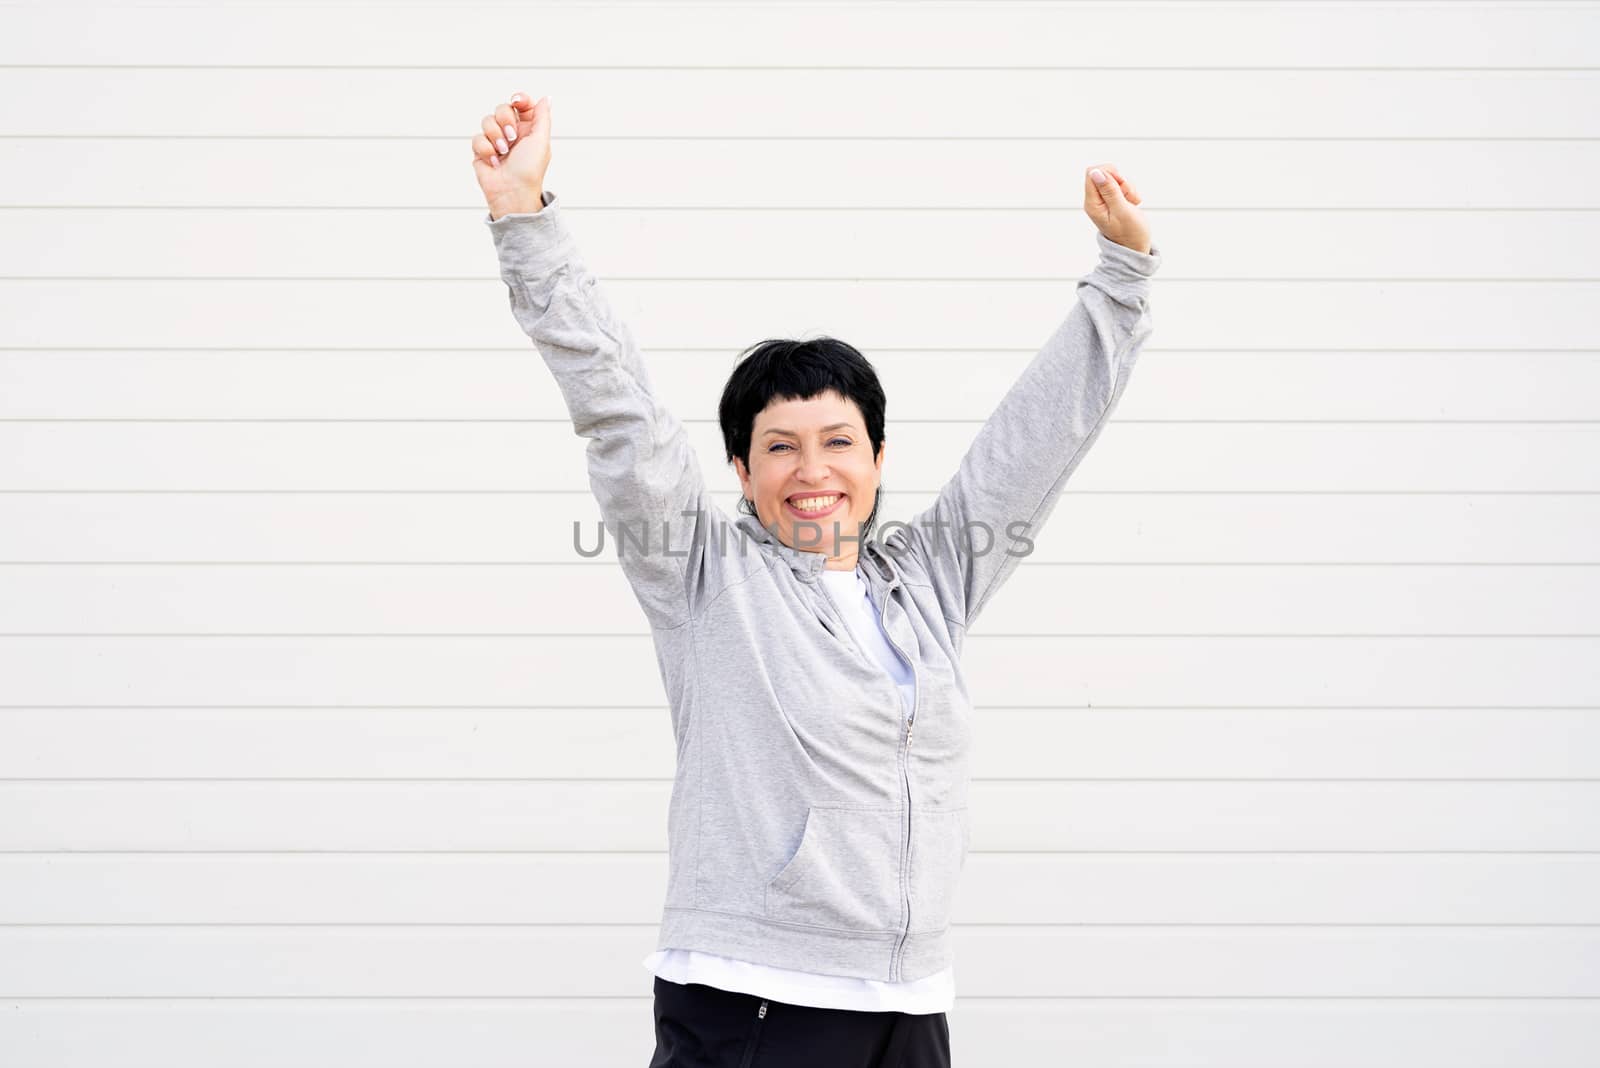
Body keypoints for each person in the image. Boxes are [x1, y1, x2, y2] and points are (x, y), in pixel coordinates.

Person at [471, 92, 1160, 1068]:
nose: (813, 469)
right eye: (779, 447)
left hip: (909, 1001)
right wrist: (523, 217)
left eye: (839, 442)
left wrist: (1121, 277)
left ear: (877, 459)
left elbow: (1037, 441)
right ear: (741, 473)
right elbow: (616, 406)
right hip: (755, 998)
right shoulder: (701, 571)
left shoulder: (929, 578)